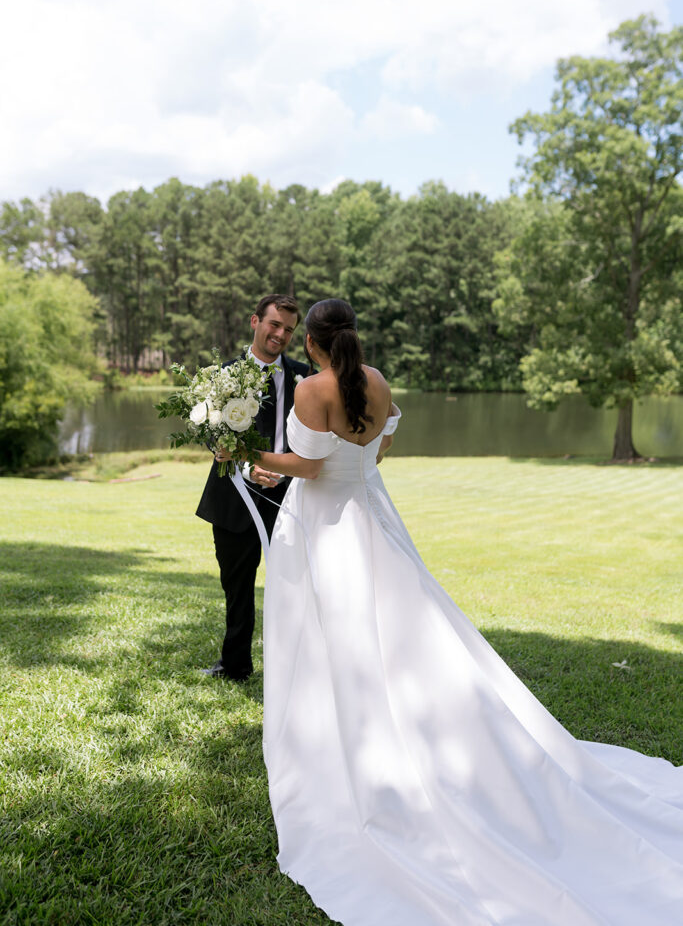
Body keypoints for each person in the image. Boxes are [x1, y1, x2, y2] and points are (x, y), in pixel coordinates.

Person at [221, 297, 683, 926]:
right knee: (403, 629)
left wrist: (244, 453)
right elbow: (374, 455)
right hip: (373, 514)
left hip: (326, 526)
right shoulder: (376, 382)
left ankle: (337, 747)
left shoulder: (310, 391)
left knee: (331, 634)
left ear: (309, 341)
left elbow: (306, 466)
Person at [195, 294, 308, 682]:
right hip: (234, 497)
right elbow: (213, 437)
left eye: (289, 330)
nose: (280, 334)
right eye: (274, 324)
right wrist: (247, 467)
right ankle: (236, 666)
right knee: (237, 586)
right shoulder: (219, 377)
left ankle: (293, 667)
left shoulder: (304, 377)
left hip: (291, 497)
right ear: (254, 321)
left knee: (294, 583)